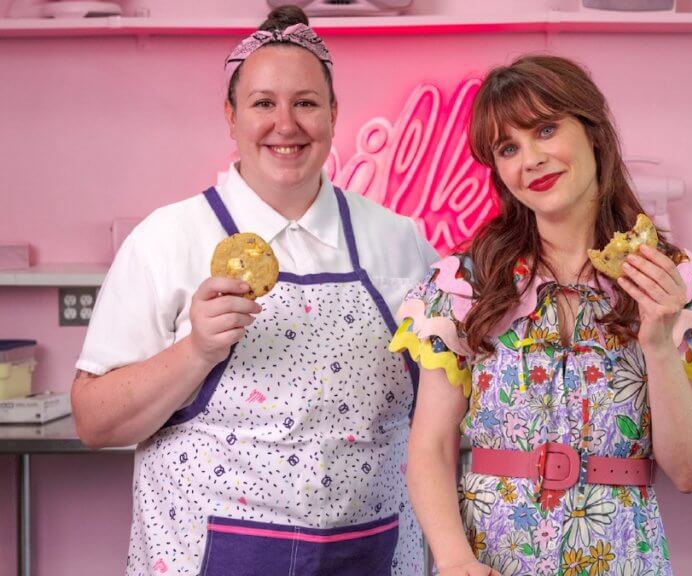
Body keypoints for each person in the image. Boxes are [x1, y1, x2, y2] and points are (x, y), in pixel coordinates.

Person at [71, 6, 434, 575]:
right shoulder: (168, 239)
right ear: (231, 116)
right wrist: (196, 350)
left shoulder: (399, 242)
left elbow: (444, 405)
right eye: (264, 103)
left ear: (334, 114)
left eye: (306, 103)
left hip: (373, 551)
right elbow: (93, 420)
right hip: (206, 556)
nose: (285, 125)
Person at [390, 55, 692, 575]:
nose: (531, 159)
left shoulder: (681, 284)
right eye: (508, 148)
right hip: (490, 563)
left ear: (593, 133)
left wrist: (657, 341)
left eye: (546, 129)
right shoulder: (465, 285)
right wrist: (454, 561)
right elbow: (430, 445)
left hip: (623, 560)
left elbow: (691, 469)